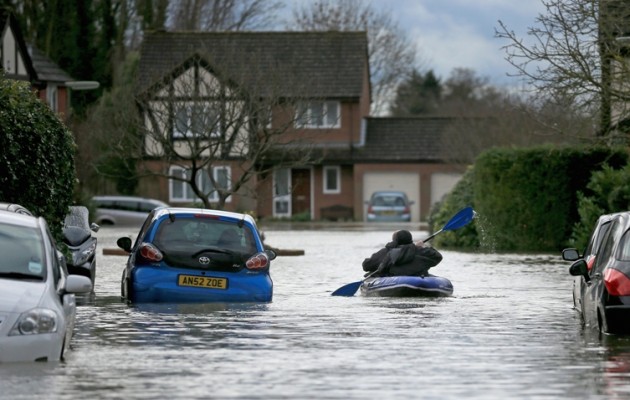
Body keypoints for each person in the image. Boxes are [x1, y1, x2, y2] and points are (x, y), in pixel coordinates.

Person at [362, 229, 442, 277]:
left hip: (394, 280)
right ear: (410, 240)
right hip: (417, 277)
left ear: (395, 240)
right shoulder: (420, 251)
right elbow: (438, 256)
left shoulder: (386, 252)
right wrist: (421, 247)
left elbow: (366, 265)